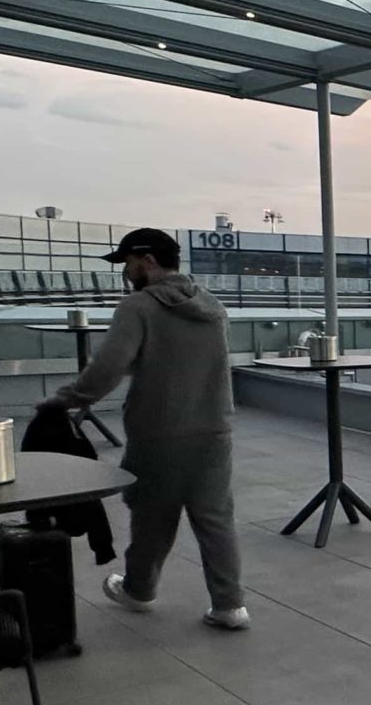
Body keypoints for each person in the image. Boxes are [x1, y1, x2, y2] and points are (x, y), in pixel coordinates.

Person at [44, 227, 248, 630]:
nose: (126, 272)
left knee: (152, 515)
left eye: (128, 263)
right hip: (214, 430)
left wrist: (68, 398)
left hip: (159, 431)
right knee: (215, 517)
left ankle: (138, 590)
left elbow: (108, 368)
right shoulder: (212, 306)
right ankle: (230, 605)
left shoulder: (138, 307)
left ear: (148, 260)